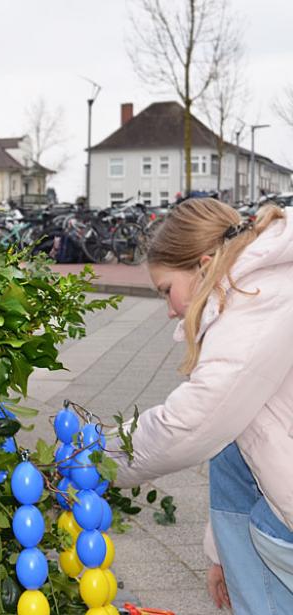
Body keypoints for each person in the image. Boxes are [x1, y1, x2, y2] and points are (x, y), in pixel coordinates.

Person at [114, 198, 293, 614]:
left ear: (204, 263)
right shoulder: (258, 287)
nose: (171, 310)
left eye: (167, 291)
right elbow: (233, 448)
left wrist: (92, 458)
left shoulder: (260, 299)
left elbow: (191, 424)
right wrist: (223, 556)